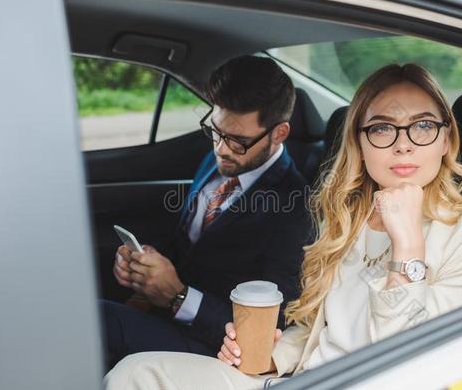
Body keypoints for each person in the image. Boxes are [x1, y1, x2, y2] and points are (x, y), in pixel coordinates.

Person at [103, 63, 462, 389]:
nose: (403, 143)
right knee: (135, 374)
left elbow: (411, 363)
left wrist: (409, 245)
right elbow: (312, 326)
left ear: (446, 140)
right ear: (360, 145)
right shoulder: (346, 215)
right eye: (381, 128)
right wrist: (270, 357)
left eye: (423, 126)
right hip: (297, 377)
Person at [101, 55, 312, 370]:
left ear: (279, 133)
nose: (221, 149)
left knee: (99, 318)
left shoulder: (295, 210)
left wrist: (178, 297)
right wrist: (145, 265)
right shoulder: (217, 161)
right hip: (168, 320)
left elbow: (274, 328)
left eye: (238, 141)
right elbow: (191, 247)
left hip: (213, 349)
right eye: (215, 131)